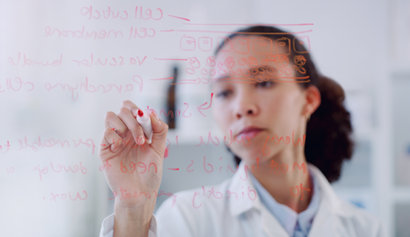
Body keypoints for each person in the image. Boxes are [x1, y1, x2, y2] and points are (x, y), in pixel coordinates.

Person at [98, 26, 384, 237]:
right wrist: (133, 207)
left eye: (264, 83)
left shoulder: (366, 229)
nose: (242, 107)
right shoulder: (188, 218)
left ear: (308, 100)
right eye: (224, 92)